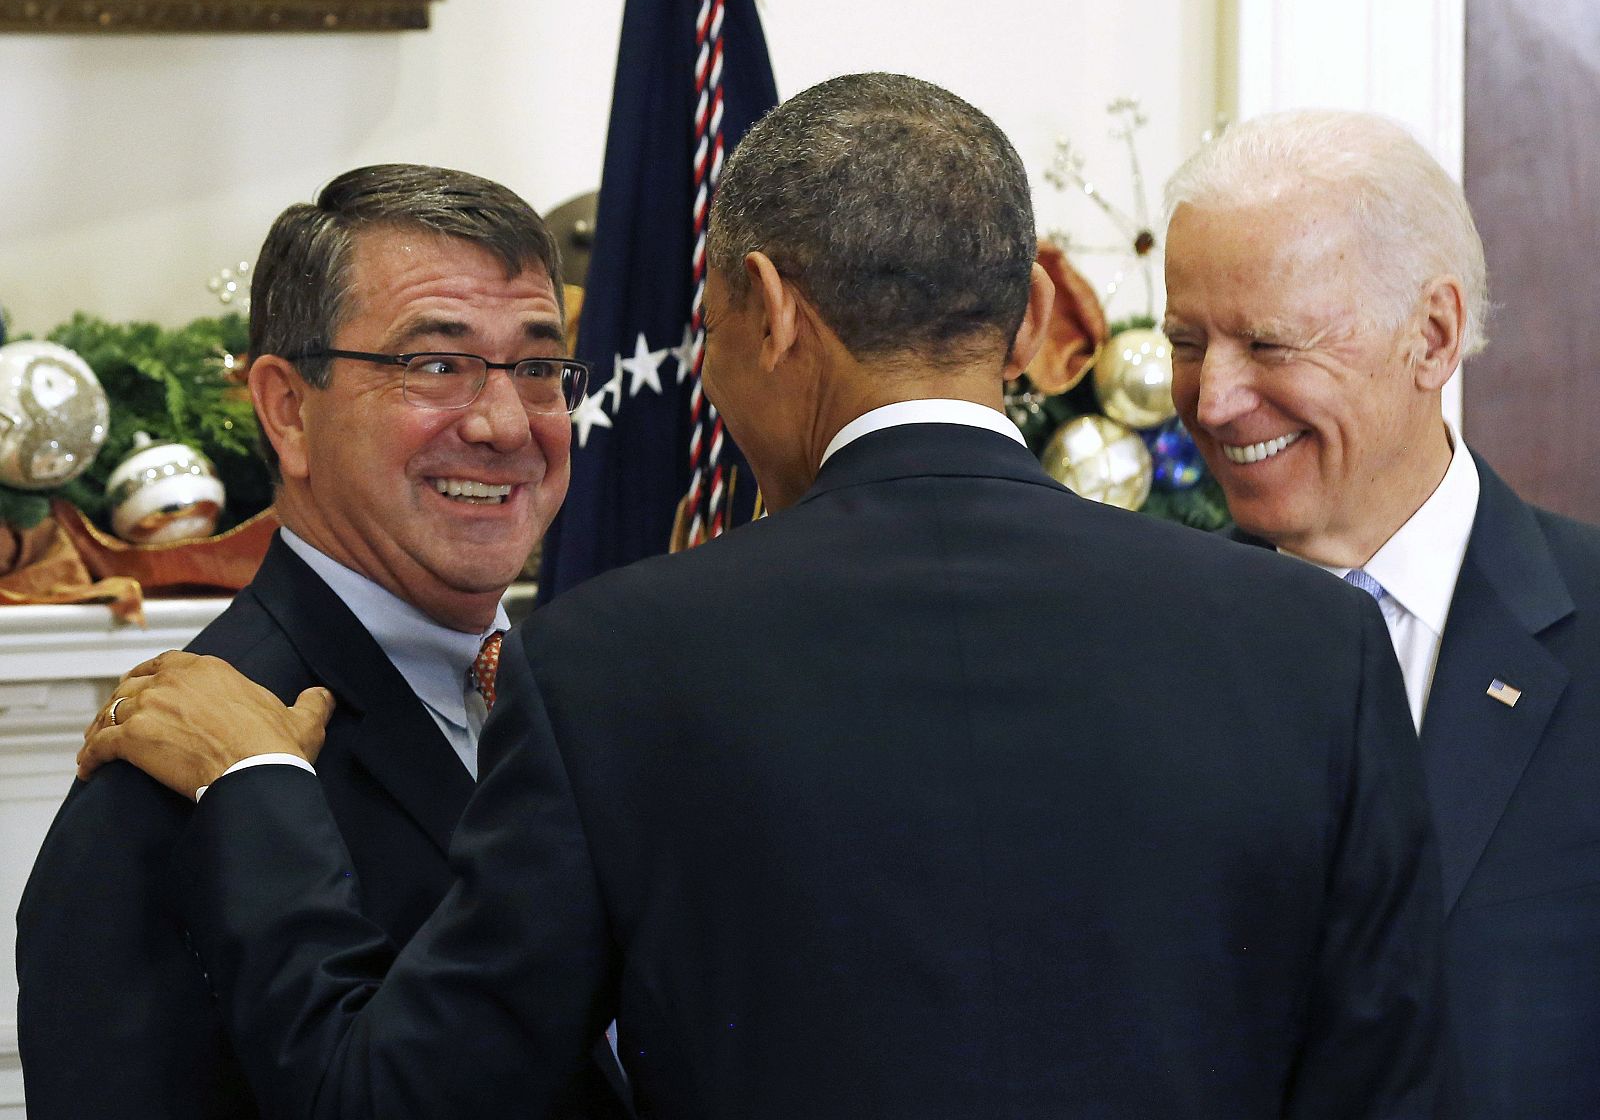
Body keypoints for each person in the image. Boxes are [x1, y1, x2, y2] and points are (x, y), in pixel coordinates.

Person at [82, 75, 1441, 1119]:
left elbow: (396, 1100)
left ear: (772, 307)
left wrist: (258, 784)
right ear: (1033, 321)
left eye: (707, 325)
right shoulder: (1313, 643)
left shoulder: (620, 658)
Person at [17, 163, 628, 1120]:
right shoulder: (171, 776)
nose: (506, 423)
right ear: (288, 409)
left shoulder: (603, 702)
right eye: (436, 364)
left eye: (539, 368)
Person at [1161, 108, 1600, 1117]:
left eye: (1269, 343)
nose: (1215, 400)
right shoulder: (1135, 652)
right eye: (1187, 341)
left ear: (1432, 335)